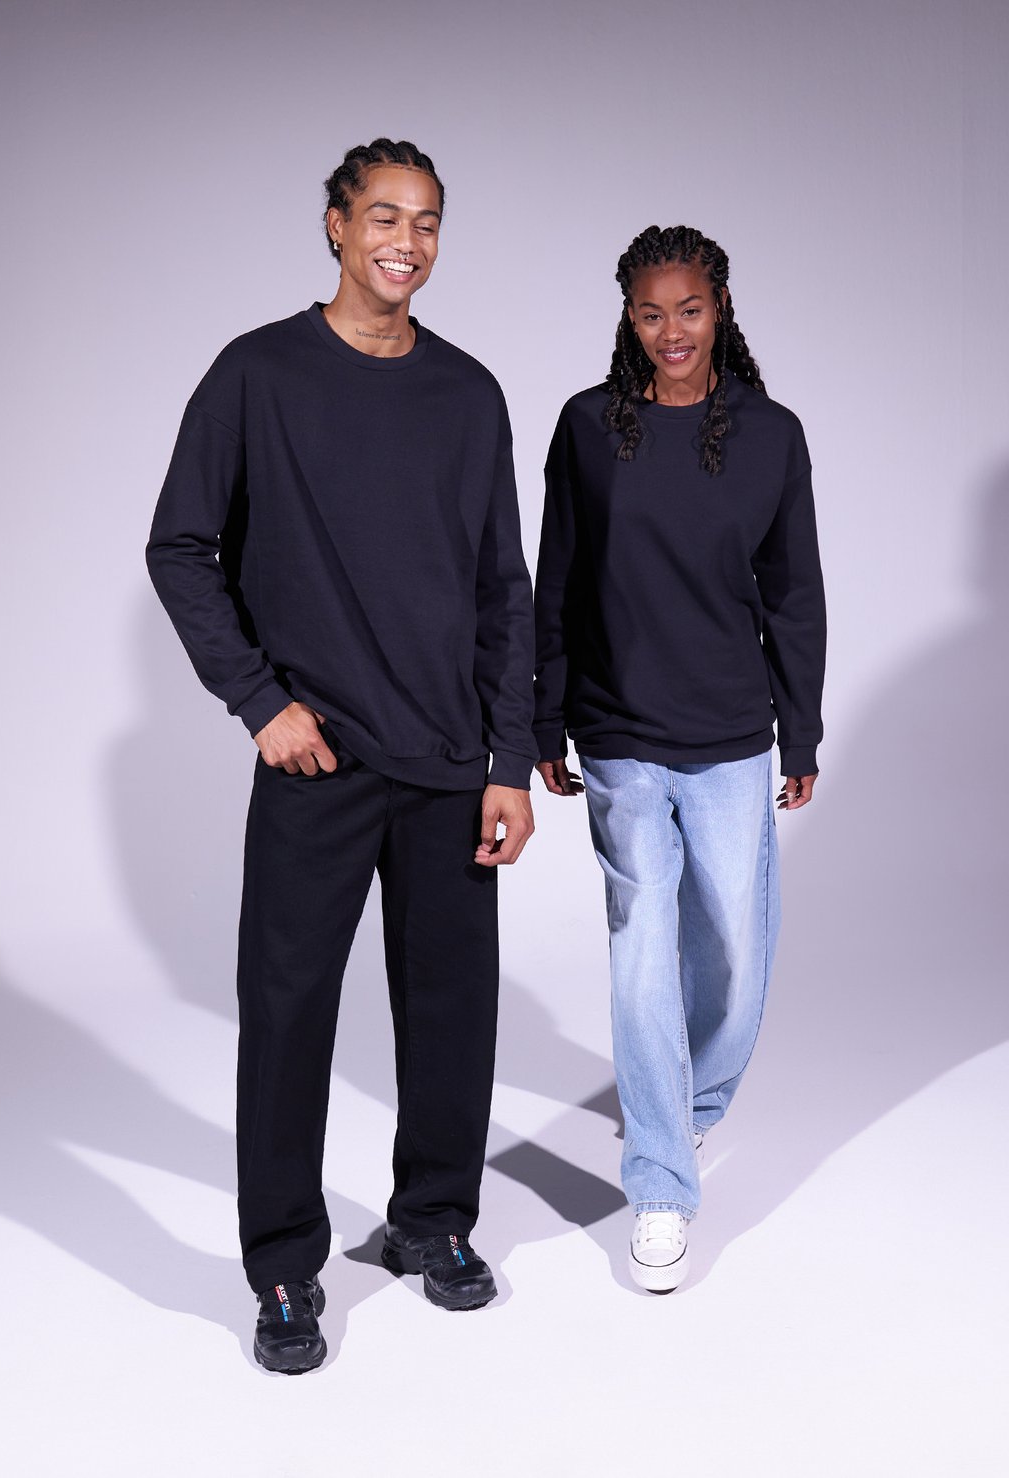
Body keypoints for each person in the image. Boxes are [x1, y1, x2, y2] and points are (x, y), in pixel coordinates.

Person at [147, 138, 536, 1372]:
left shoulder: (468, 393)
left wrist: (510, 758)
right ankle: (282, 1266)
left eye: (426, 221)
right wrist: (259, 699)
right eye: (382, 216)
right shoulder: (257, 373)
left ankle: (434, 1222)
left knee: (452, 1012)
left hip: (448, 758)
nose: (405, 242)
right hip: (313, 765)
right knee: (287, 1014)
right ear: (334, 225)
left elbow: (503, 588)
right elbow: (180, 545)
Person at [532, 224, 826, 1292]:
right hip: (617, 731)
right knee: (642, 946)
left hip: (730, 733)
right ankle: (660, 1180)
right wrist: (544, 715)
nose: (671, 331)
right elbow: (557, 577)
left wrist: (801, 727)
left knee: (733, 950)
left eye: (689, 310)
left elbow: (793, 592)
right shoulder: (585, 427)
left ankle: (691, 1100)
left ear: (720, 308)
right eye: (651, 312)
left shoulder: (771, 435)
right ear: (629, 315)